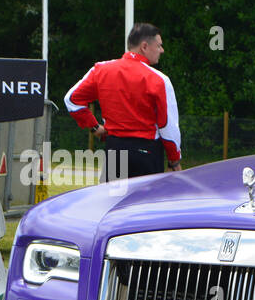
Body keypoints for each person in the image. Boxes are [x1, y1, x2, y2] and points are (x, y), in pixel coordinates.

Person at [64, 23, 182, 181]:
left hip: (115, 150)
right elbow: (168, 126)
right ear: (145, 46)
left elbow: (72, 100)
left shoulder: (101, 70)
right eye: (159, 45)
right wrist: (174, 160)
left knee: (113, 203)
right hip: (147, 154)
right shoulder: (159, 80)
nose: (162, 50)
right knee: (145, 204)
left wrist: (95, 127)